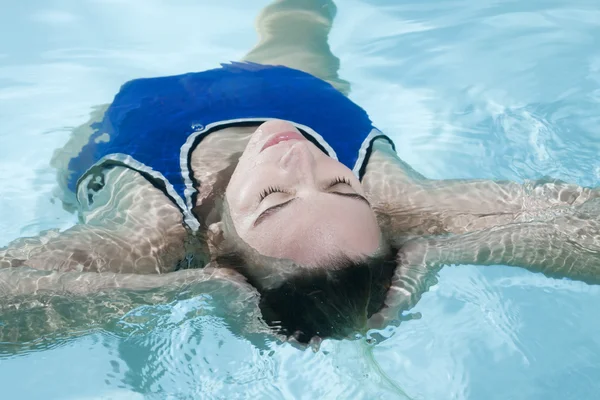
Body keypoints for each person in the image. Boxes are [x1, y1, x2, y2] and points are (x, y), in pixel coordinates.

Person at [2, 0, 600, 345]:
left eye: (272, 198)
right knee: (301, 14)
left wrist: (179, 286)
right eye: (342, 185)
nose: (299, 159)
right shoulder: (400, 199)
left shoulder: (148, 230)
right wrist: (442, 251)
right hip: (290, 84)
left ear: (217, 243)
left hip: (129, 125)